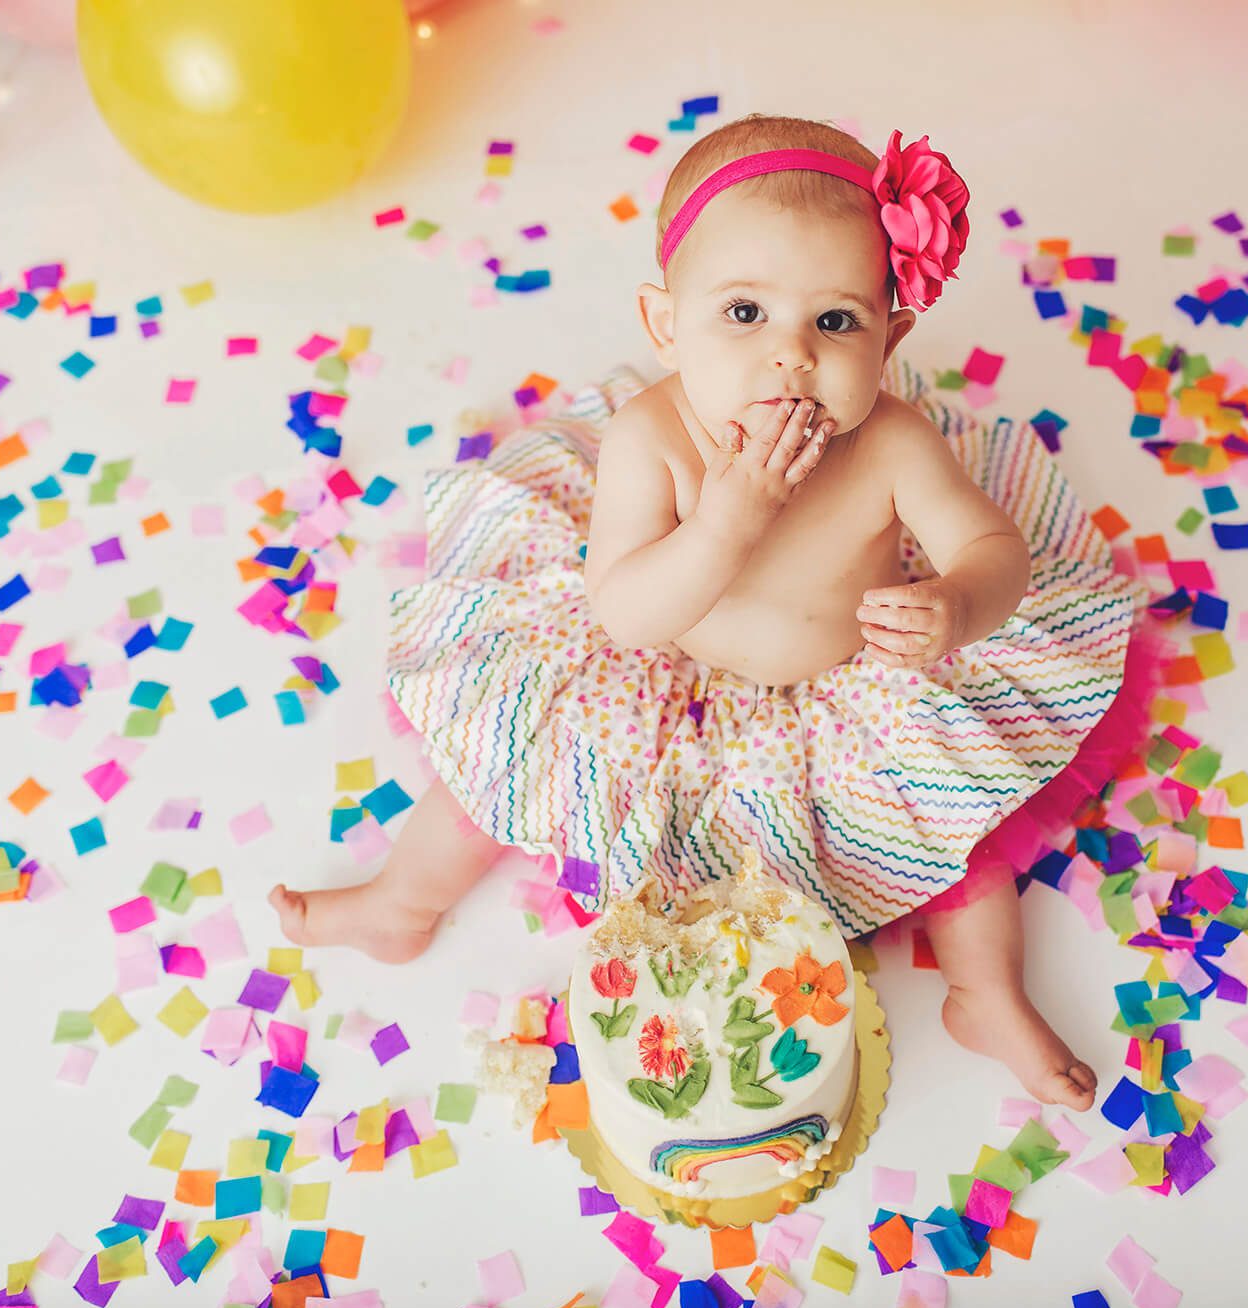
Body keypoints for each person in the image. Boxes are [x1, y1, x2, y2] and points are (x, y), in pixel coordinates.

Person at [273, 114, 1164, 1112]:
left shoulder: (892, 443)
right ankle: (403, 901)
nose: (789, 357)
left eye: (834, 322)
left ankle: (981, 991)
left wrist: (956, 604)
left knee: (957, 837)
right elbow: (624, 613)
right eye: (743, 314)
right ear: (665, 325)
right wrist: (729, 515)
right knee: (498, 773)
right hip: (658, 673)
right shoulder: (651, 436)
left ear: (890, 334)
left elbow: (991, 549)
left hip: (843, 694)